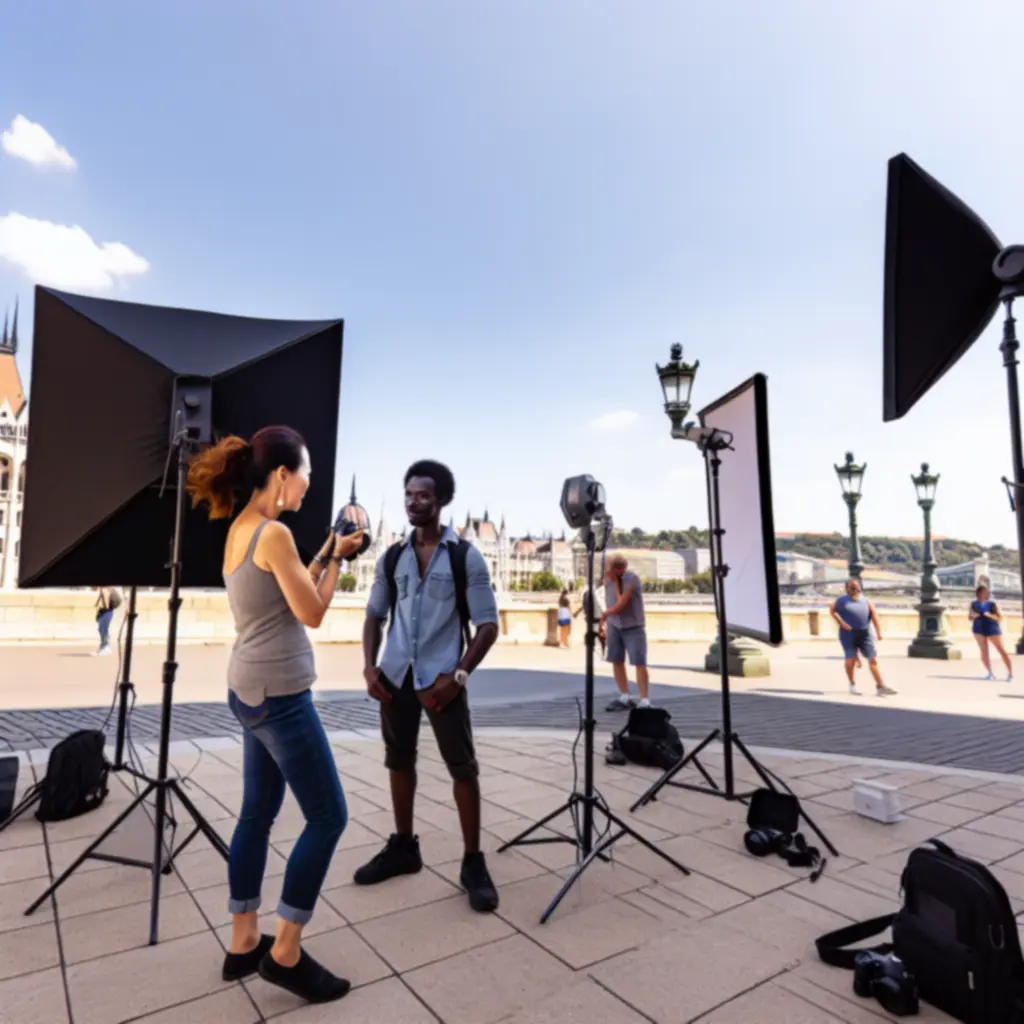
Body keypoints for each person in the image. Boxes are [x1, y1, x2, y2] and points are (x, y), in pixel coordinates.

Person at [187, 426, 364, 1005]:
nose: (311, 486)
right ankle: (285, 952)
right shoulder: (277, 533)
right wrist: (339, 560)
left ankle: (243, 940)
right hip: (282, 697)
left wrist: (321, 552)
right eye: (307, 474)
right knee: (328, 817)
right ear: (283, 476)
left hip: (247, 689)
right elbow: (310, 612)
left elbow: (282, 594)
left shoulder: (243, 530)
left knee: (256, 815)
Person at [358, 460, 501, 912]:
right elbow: (374, 615)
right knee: (398, 760)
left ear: (441, 501)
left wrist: (458, 676)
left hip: (441, 680)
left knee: (463, 768)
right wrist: (369, 667)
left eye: (423, 496)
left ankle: (473, 862)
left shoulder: (464, 556)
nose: (414, 503)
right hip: (396, 676)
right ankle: (404, 846)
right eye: (409, 495)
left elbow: (488, 626)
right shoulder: (393, 556)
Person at [600, 554, 651, 711]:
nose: (607, 571)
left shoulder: (632, 579)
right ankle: (625, 695)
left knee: (639, 662)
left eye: (610, 568)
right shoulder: (607, 580)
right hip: (615, 625)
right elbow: (606, 600)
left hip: (633, 625)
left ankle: (644, 699)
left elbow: (620, 603)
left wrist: (605, 614)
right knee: (616, 660)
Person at [830, 578, 896, 697]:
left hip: (865, 633)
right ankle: (852, 684)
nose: (855, 589)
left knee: (873, 659)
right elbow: (832, 610)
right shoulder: (841, 601)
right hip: (847, 634)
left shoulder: (866, 601)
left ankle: (881, 686)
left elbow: (874, 615)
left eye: (856, 586)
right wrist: (841, 622)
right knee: (850, 659)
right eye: (852, 587)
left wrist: (879, 632)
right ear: (847, 589)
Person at [969, 584, 1013, 682]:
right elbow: (970, 617)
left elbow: (999, 618)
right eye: (984, 592)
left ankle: (1010, 672)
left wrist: (990, 615)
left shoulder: (992, 604)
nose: (987, 593)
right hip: (979, 628)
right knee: (984, 651)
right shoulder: (974, 604)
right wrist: (973, 616)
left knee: (1001, 650)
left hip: (992, 628)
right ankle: (990, 672)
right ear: (979, 593)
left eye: (987, 592)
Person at [93, 587, 121, 656]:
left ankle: (106, 648)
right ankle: (102, 648)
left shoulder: (104, 590)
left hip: (107, 613)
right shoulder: (104, 589)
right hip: (107, 612)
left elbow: (106, 606)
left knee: (103, 630)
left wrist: (100, 607)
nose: (92, 588)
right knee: (101, 629)